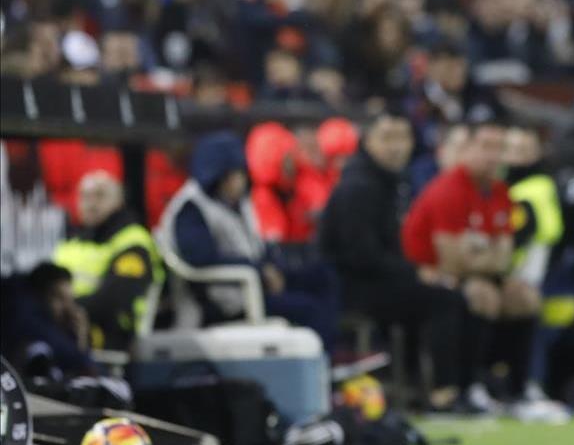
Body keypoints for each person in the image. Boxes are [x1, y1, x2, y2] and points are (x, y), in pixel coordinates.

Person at [319, 112, 473, 411]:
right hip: (354, 288)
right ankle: (444, 393)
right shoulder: (360, 186)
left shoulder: (388, 181)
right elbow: (361, 256)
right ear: (368, 141)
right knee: (444, 300)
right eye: (387, 138)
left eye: (402, 138)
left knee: (436, 296)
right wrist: (416, 273)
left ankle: (420, 390)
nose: (396, 147)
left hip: (379, 280)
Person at [402, 119, 541, 410]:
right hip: (425, 275)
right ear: (467, 148)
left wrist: (479, 253)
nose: (493, 155)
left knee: (525, 296)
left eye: (499, 148)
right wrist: (484, 254)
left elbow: (505, 253)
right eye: (486, 146)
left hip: (476, 274)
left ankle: (517, 389)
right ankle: (468, 386)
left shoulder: (500, 191)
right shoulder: (448, 189)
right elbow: (452, 260)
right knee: (481, 295)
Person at [156, 132, 338, 350]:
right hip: (227, 299)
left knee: (324, 275)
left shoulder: (238, 203)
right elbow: (200, 259)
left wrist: (271, 267)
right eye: (234, 174)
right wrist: (260, 271)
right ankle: (323, 363)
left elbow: (255, 245)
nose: (241, 180)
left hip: (256, 281)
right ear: (217, 175)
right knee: (310, 310)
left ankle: (334, 353)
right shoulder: (191, 208)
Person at [53, 172, 165, 351]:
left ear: (119, 200)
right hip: (68, 323)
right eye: (85, 196)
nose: (91, 204)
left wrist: (63, 311)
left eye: (100, 195)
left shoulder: (133, 242)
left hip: (110, 332)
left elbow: (114, 300)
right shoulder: (73, 242)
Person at [0, 262, 95, 380]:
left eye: (70, 300)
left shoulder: (60, 325)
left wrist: (81, 336)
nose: (68, 308)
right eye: (59, 298)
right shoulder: (21, 315)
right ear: (38, 296)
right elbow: (79, 362)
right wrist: (80, 347)